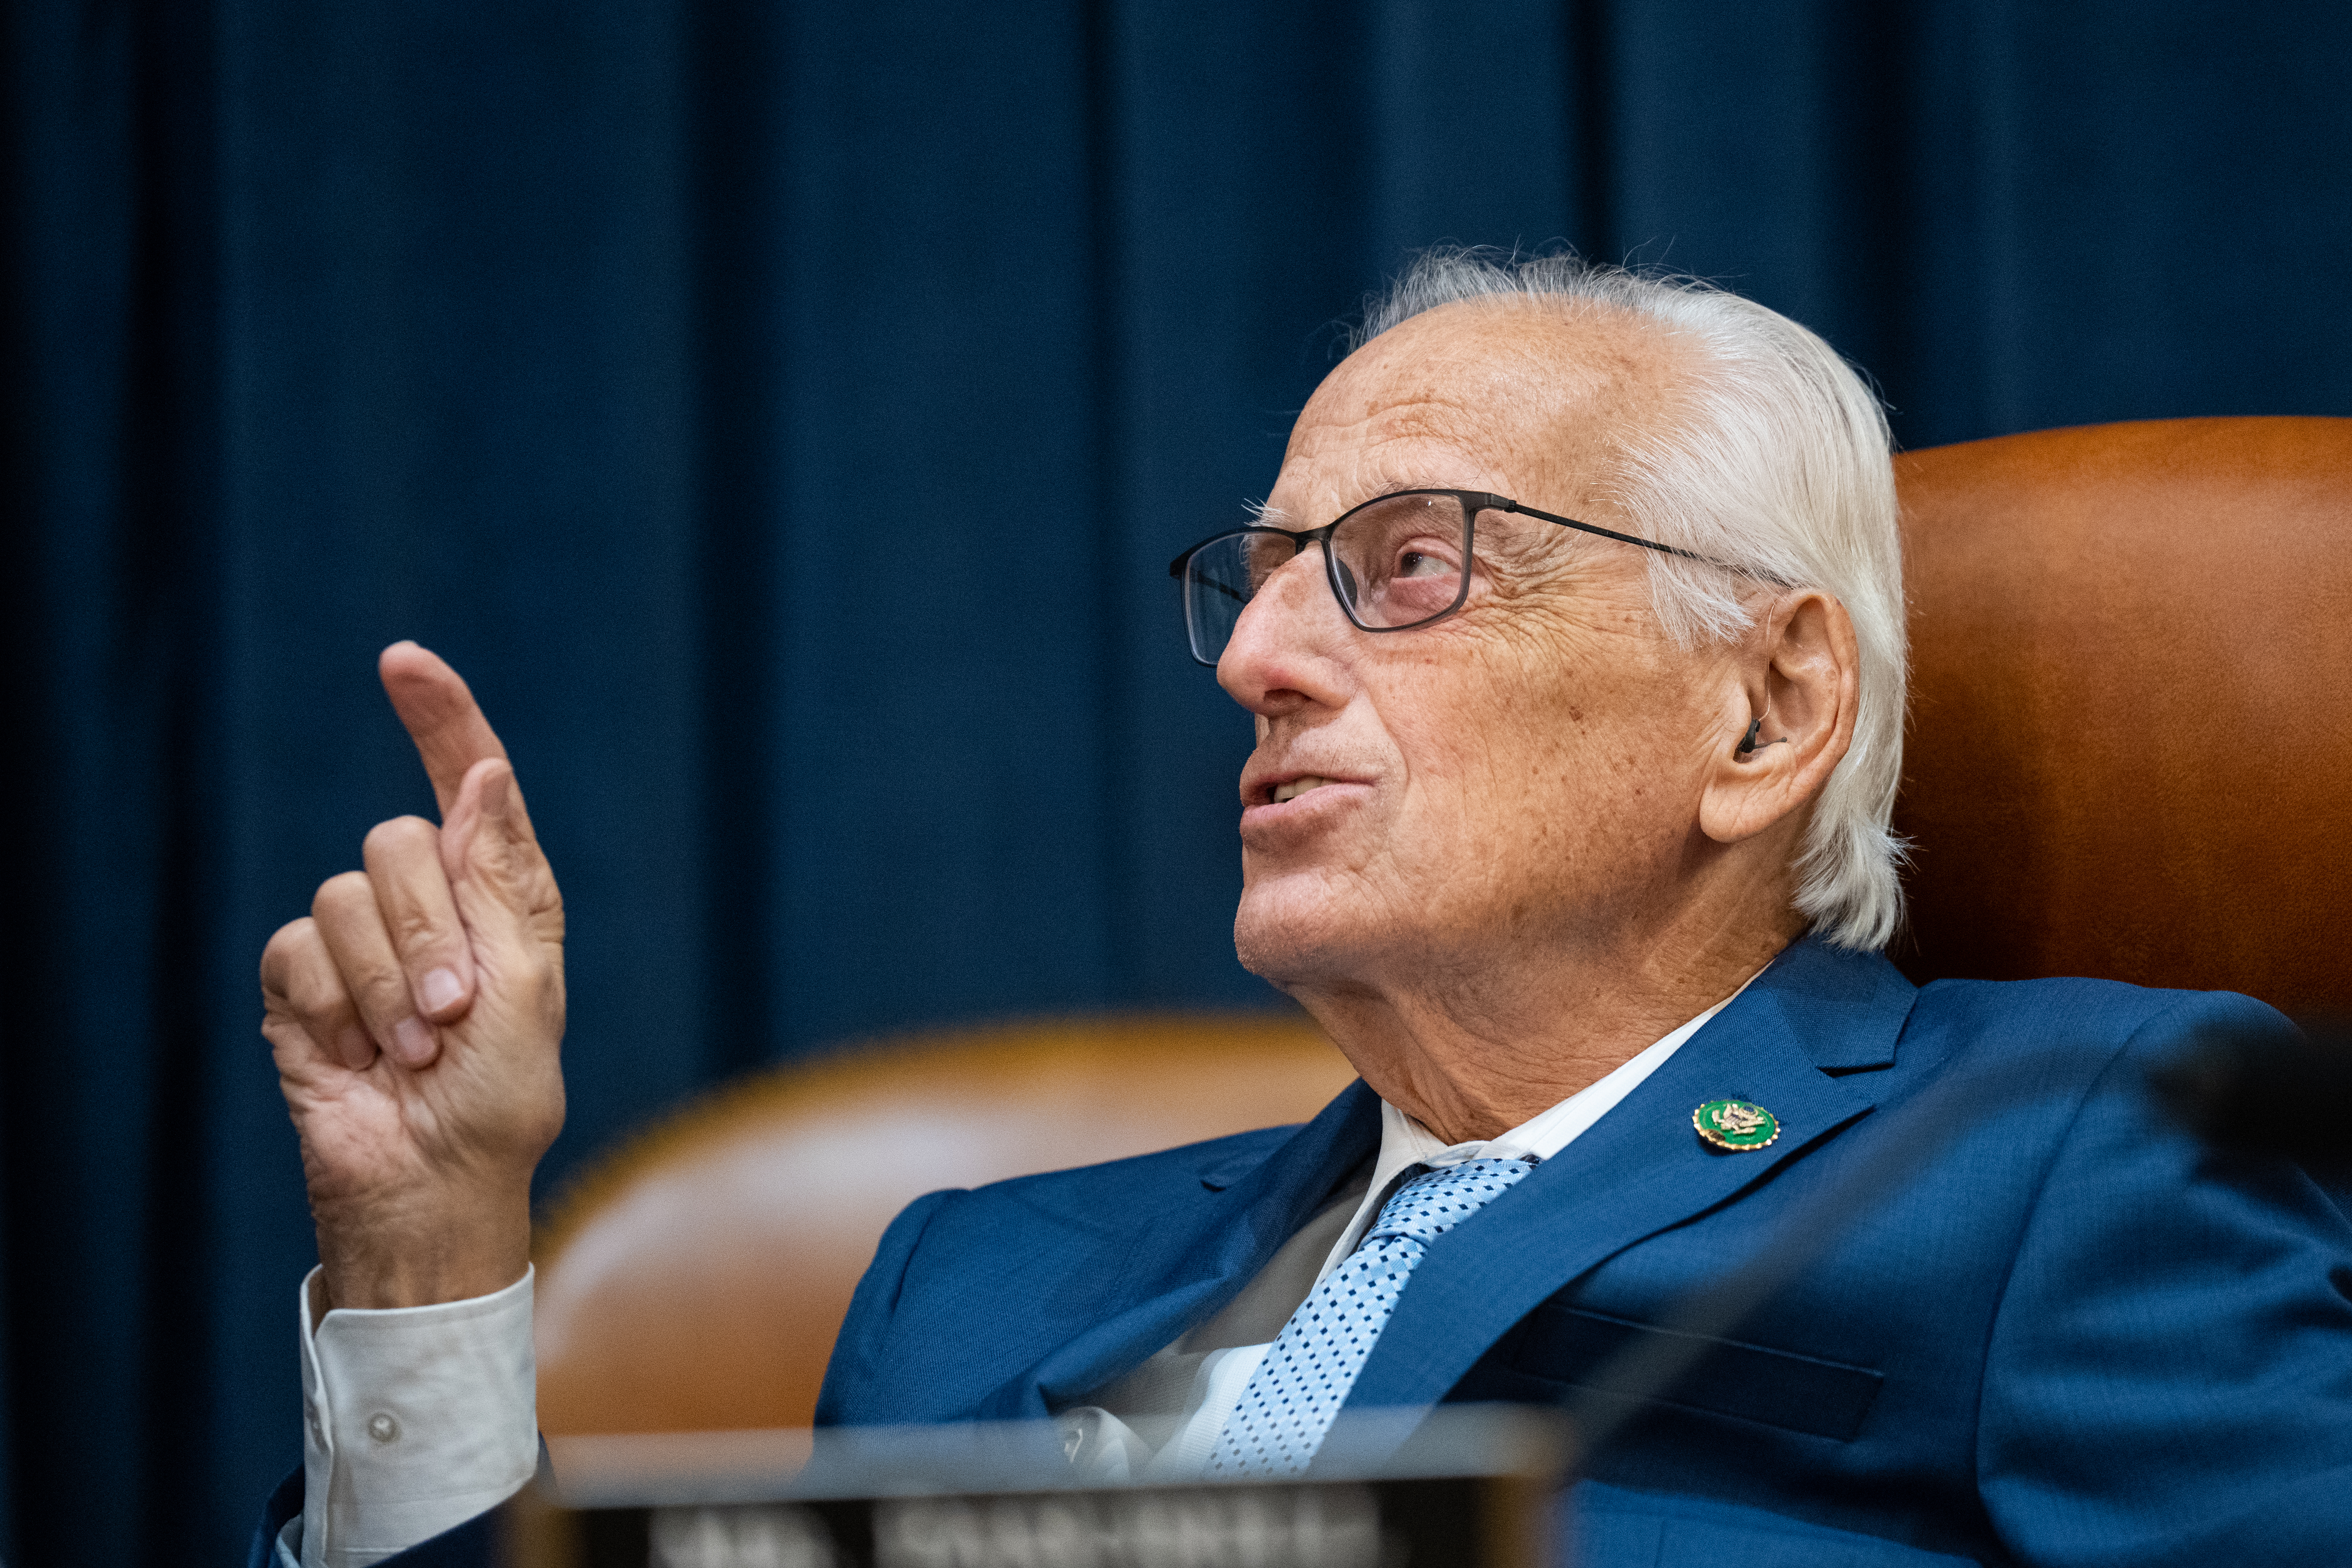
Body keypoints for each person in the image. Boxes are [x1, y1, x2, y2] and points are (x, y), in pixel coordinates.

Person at [249, 252, 2352, 1568]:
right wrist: (427, 1245)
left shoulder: (2067, 1143)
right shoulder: (972, 1285)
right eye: (1262, 574)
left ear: (1766, 705)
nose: (1260, 652)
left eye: (1409, 563)